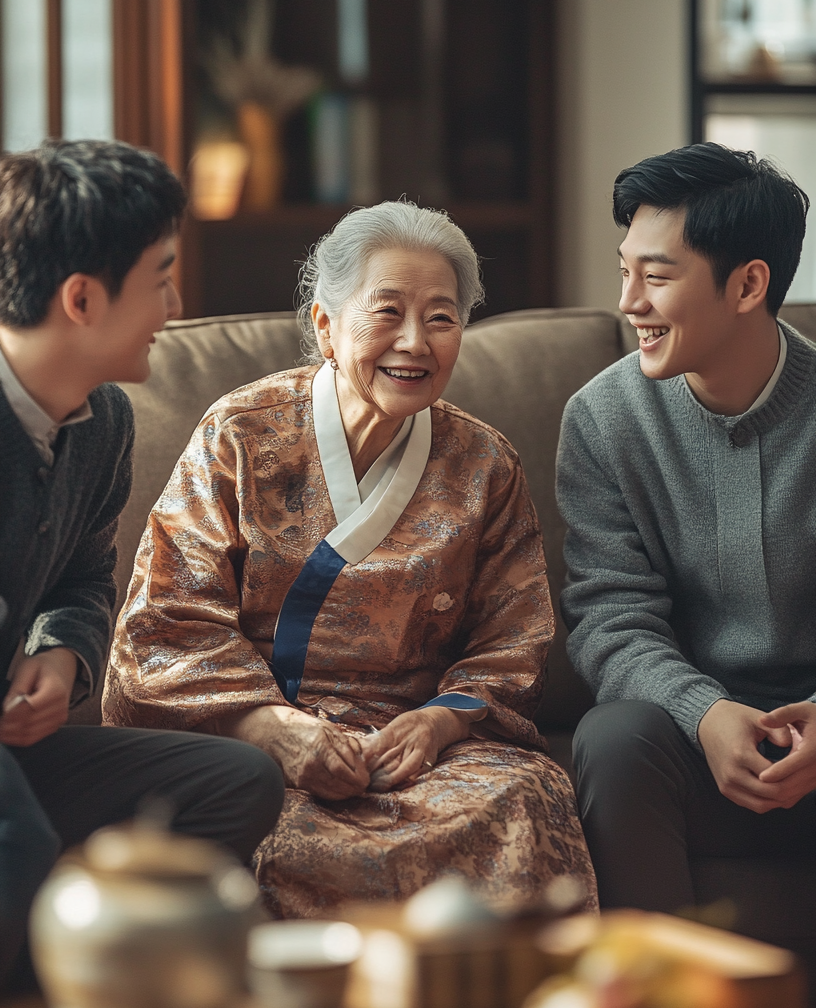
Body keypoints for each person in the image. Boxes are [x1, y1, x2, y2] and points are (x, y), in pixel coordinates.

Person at [104, 202, 596, 917]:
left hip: (414, 746)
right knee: (253, 817)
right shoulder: (241, 433)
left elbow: (511, 640)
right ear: (326, 326)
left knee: (530, 795)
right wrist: (272, 728)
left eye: (441, 317)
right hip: (251, 734)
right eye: (387, 312)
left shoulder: (486, 463)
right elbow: (165, 620)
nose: (414, 342)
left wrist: (437, 724)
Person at [0, 140, 284, 986]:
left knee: (238, 782)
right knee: (19, 839)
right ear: (81, 298)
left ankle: (107, 995)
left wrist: (63, 653)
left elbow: (86, 577)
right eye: (160, 277)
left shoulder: (105, 423)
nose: (176, 302)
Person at [556, 141, 815, 911]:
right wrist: (704, 715)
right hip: (693, 743)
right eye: (625, 270)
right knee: (611, 739)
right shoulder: (603, 420)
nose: (630, 301)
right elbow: (610, 620)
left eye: (657, 277)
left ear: (747, 285)